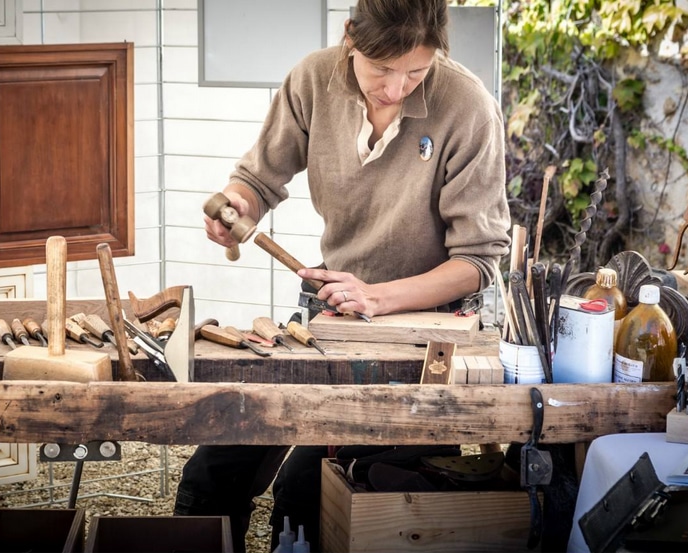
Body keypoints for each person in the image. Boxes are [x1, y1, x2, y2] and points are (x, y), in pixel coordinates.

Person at [174, 0, 511, 550]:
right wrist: (236, 207)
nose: (397, 88)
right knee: (212, 476)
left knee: (307, 490)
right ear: (351, 38)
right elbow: (257, 181)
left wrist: (378, 297)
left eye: (417, 72)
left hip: (427, 337)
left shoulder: (467, 105)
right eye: (382, 70)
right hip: (328, 317)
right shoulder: (313, 79)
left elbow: (476, 263)